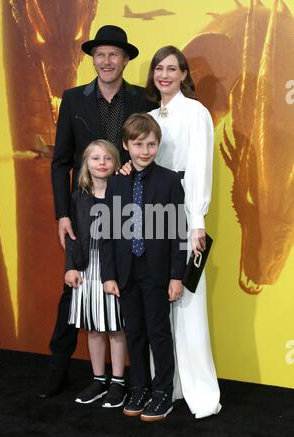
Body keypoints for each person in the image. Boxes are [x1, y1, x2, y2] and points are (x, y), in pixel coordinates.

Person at [39, 25, 155, 399]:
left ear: (125, 60)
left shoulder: (142, 100)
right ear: (93, 59)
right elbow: (60, 162)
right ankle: (59, 370)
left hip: (128, 210)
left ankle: (131, 380)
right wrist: (62, 214)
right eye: (100, 54)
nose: (106, 61)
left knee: (126, 289)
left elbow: (150, 152)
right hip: (83, 211)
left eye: (114, 55)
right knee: (74, 291)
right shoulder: (73, 99)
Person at [121, 46, 221, 418]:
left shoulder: (196, 113)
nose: (164, 75)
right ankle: (164, 384)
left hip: (183, 216)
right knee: (154, 308)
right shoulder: (147, 117)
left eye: (172, 69)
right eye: (158, 68)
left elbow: (199, 168)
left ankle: (195, 388)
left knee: (186, 303)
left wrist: (197, 220)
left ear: (183, 74)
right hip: (149, 220)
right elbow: (142, 161)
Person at [100, 113, 187, 421]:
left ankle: (163, 391)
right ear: (126, 145)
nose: (145, 151)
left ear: (158, 145)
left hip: (157, 273)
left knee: (158, 332)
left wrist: (177, 276)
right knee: (134, 331)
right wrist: (108, 275)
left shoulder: (169, 181)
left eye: (151, 144)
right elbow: (108, 233)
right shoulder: (116, 184)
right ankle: (139, 387)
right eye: (138, 144)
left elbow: (179, 233)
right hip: (126, 272)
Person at [64, 139, 127, 407]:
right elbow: (73, 235)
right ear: (86, 164)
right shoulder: (79, 195)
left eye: (107, 158)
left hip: (114, 268)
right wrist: (70, 267)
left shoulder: (123, 192)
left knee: (115, 326)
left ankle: (118, 383)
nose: (101, 163)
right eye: (95, 158)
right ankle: (98, 379)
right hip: (87, 267)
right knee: (92, 327)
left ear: (116, 164)